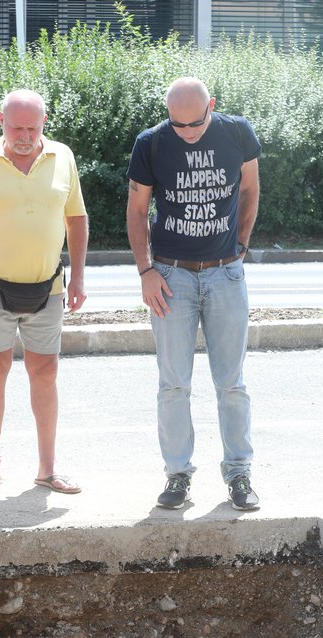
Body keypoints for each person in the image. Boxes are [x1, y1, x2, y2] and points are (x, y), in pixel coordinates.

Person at [127, 76, 261, 511]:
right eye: (178, 124)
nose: (186, 132)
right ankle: (177, 476)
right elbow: (136, 209)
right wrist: (146, 270)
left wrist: (240, 246)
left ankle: (239, 474)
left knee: (231, 384)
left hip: (225, 274)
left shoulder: (237, 131)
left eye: (195, 124)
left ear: (212, 106)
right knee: (173, 385)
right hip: (171, 277)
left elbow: (249, 189)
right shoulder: (150, 143)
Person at [0, 88, 88, 496]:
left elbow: (76, 219)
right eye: (16, 128)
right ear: (1, 121)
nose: (25, 136)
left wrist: (78, 278)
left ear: (44, 122)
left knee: (45, 372)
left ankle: (48, 468)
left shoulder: (62, 156)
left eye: (32, 127)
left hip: (48, 287)